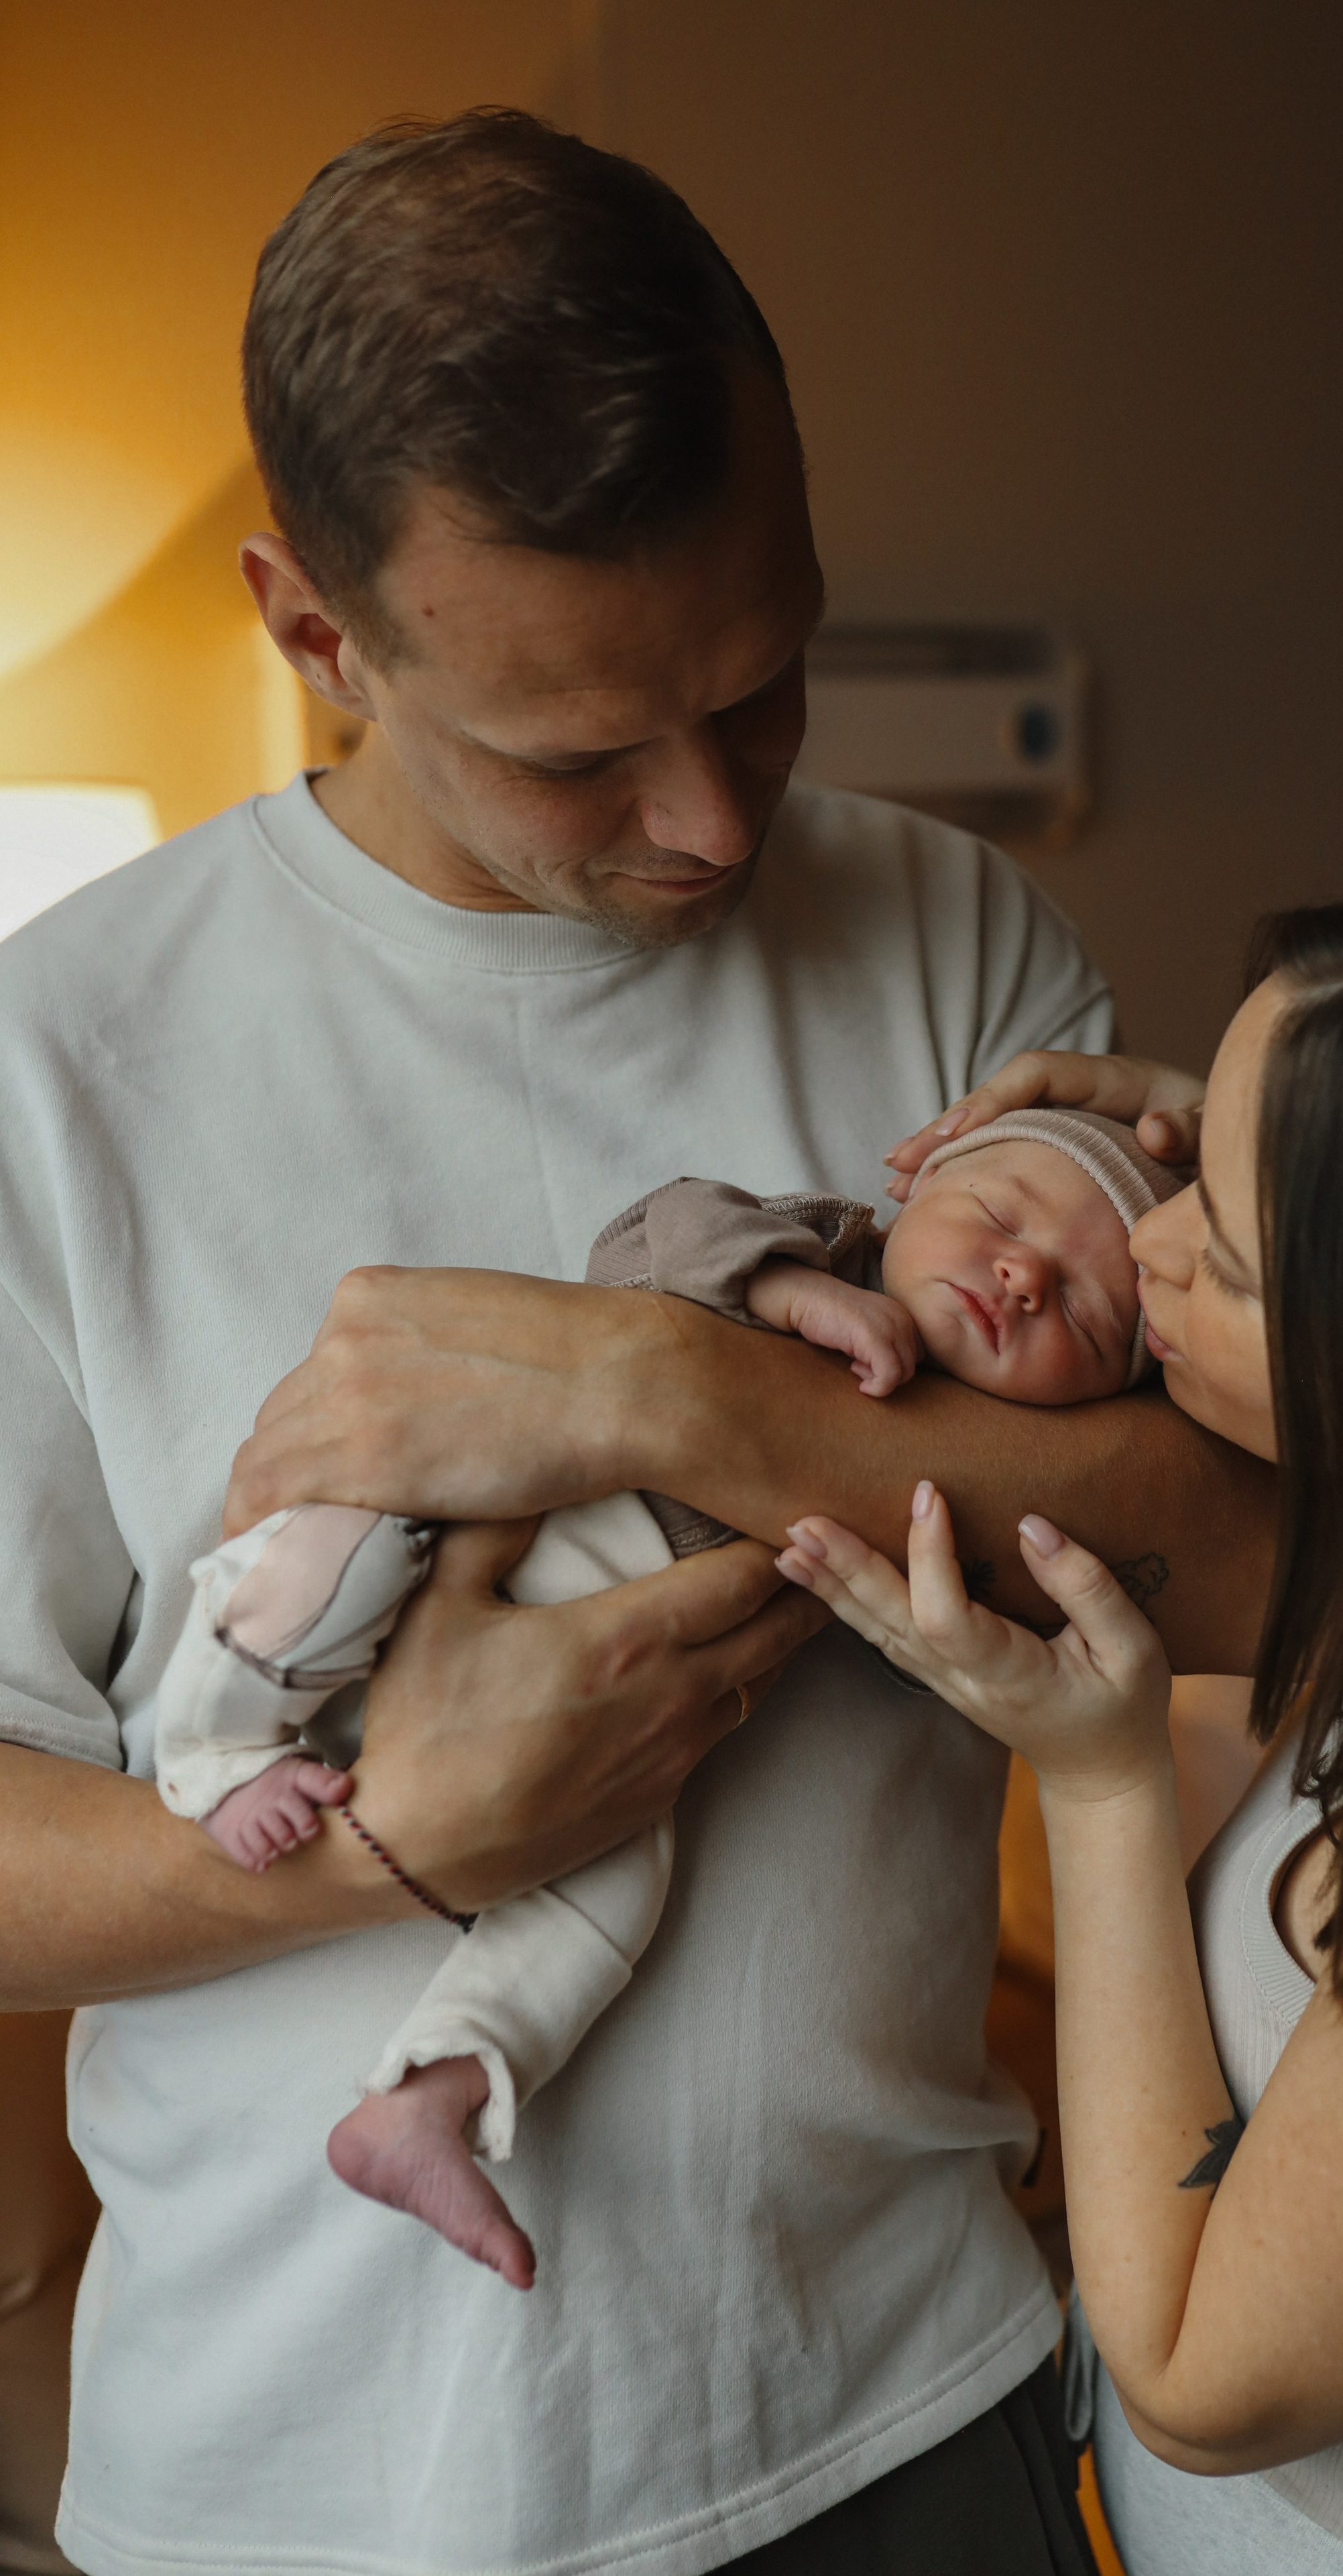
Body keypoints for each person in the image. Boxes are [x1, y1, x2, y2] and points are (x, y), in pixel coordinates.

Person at [0, 110, 1276, 2576]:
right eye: (580, 753)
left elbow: (1241, 1563)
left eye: (767, 682)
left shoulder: (962, 948)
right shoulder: (53, 1071)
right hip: (296, 2499)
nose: (712, 821)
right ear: (313, 632)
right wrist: (389, 1852)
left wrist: (663, 1385)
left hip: (905, 2413)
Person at [776, 883, 1343, 2576]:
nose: (1139, 1245)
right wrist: (1266, 1128)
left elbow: (1196, 2383)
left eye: (1216, 1251)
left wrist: (1100, 1785)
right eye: (1191, 1168)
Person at [154, 1109, 1183, 2292]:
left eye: (1086, 1318)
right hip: (468, 1516)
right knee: (331, 1562)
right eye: (1000, 1216)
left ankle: (431, 2094)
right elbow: (654, 1230)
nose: (1023, 1277)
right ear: (920, 1182)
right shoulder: (828, 1247)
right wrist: (791, 1292)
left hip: (612, 1725)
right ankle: (213, 1749)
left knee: (614, 1892)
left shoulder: (982, 1482)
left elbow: (936, 1647)